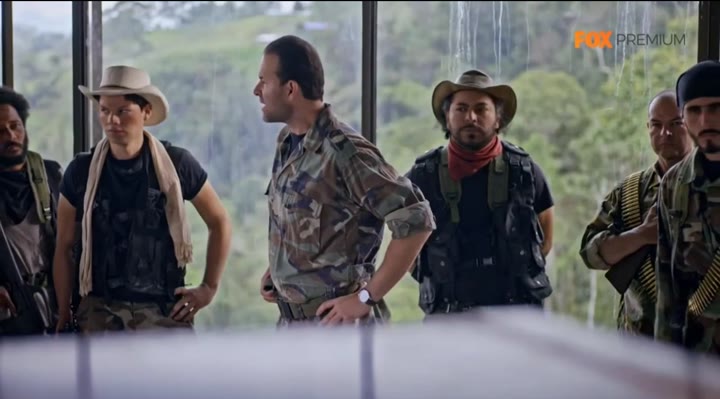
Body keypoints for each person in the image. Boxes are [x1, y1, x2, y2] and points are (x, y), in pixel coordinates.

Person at [254, 35, 435, 326]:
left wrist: (365, 298)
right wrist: (282, 269)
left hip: (338, 328)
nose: (257, 91)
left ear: (290, 89)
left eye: (264, 81)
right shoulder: (288, 142)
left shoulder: (345, 152)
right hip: (292, 325)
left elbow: (417, 220)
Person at [52, 65, 232, 333]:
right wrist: (64, 312)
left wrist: (208, 288)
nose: (112, 120)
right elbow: (64, 246)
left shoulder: (176, 164)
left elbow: (219, 221)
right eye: (105, 111)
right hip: (99, 313)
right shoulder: (81, 171)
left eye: (123, 111)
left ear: (146, 111)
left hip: (164, 312)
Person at [405, 69, 554, 316]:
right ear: (447, 117)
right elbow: (404, 246)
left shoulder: (525, 171)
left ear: (498, 119)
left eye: (481, 109)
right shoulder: (423, 175)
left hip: (516, 313)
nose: (471, 117)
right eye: (461, 109)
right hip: (449, 314)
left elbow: (545, 241)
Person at [580, 90, 692, 337]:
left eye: (676, 123)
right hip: (638, 339)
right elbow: (590, 253)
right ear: (647, 128)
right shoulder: (630, 191)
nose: (665, 133)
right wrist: (641, 235)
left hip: (703, 342)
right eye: (656, 125)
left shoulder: (711, 188)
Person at [656, 60, 720, 355]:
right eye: (694, 110)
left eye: (716, 108)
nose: (706, 120)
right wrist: (664, 361)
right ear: (683, 116)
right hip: (695, 354)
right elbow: (667, 284)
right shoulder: (674, 184)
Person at [0, 86, 64, 336]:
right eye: (0, 131)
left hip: (56, 306)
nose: (11, 136)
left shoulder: (50, 175)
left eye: (15, 126)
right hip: (10, 314)